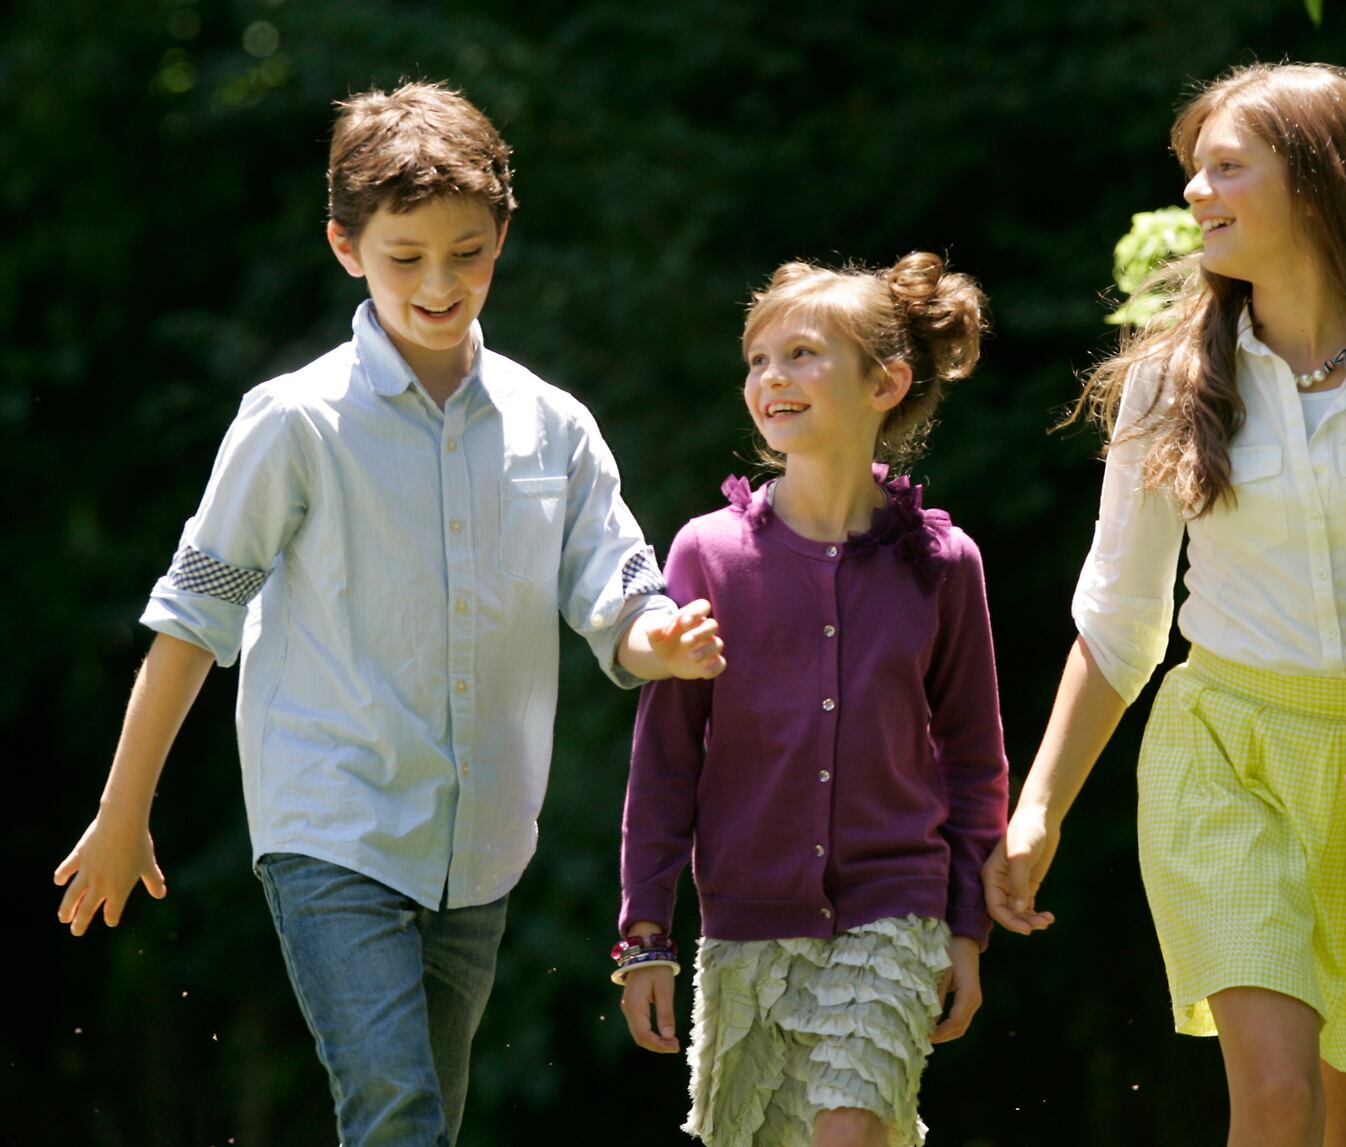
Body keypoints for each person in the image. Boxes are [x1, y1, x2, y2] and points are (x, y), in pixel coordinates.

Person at [52, 81, 725, 1147]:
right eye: (405, 255)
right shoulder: (295, 423)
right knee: (398, 1112)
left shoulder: (553, 426)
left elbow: (616, 591)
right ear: (344, 245)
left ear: (502, 234)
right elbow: (191, 619)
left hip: (481, 841)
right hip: (333, 821)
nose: (440, 282)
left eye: (467, 251)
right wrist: (123, 807)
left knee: (423, 1121)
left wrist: (660, 640)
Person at [985, 63, 1346, 1146]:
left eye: (1225, 168)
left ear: (1315, 184)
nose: (1196, 195)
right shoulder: (1168, 382)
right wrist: (1039, 808)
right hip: (1225, 755)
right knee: (1273, 1093)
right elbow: (1118, 617)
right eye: (1192, 172)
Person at [616, 253, 1007, 1147]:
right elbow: (668, 756)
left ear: (887, 383)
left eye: (801, 354)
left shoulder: (946, 567)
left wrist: (965, 928)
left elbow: (975, 755)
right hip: (746, 923)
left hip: (893, 911)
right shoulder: (707, 555)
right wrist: (645, 930)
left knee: (851, 1133)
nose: (771, 379)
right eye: (757, 360)